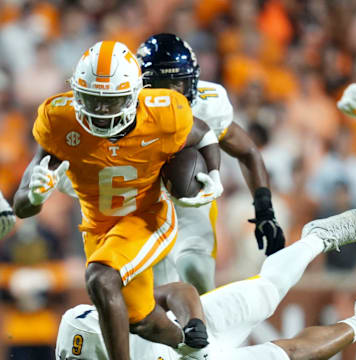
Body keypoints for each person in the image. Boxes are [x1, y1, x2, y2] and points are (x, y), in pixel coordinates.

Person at [13, 41, 223, 360]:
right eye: (93, 100)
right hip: (97, 227)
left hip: (148, 217)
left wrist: (215, 176)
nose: (101, 112)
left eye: (111, 102)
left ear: (135, 94)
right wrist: (36, 194)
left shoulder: (163, 112)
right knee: (140, 321)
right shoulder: (59, 118)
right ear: (76, 93)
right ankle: (195, 349)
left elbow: (203, 133)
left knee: (101, 277)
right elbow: (20, 205)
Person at [56, 208, 356, 359]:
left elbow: (179, 291)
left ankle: (318, 237)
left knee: (267, 291)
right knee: (290, 353)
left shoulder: (82, 331)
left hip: (192, 327)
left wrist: (194, 328)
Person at [136, 33, 285, 293]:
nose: (173, 94)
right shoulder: (127, 110)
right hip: (144, 206)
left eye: (179, 84)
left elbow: (248, 151)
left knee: (200, 280)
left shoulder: (208, 104)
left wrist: (264, 209)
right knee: (156, 294)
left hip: (192, 203)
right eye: (163, 84)